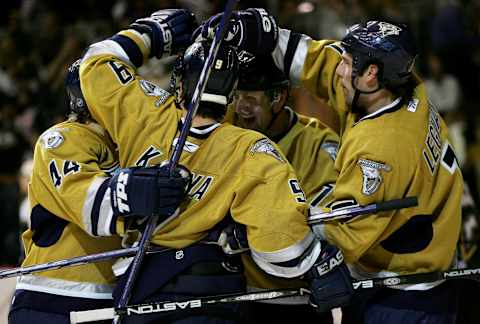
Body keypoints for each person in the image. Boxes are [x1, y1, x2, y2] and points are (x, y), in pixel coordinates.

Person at [78, 8, 353, 324]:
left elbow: (96, 63)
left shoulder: (144, 112)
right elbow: (283, 244)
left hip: (141, 285)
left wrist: (153, 34)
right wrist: (317, 261)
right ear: (232, 92)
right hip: (213, 293)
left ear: (179, 85)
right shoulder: (252, 149)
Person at [198, 10, 464, 323]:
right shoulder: (397, 87)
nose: (339, 69)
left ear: (371, 74)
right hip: (409, 266)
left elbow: (344, 236)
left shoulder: (383, 148)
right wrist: (262, 35)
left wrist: (263, 224)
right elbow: (320, 64)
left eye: (348, 62)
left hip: (403, 295)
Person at [8, 60, 190, 324]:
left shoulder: (126, 146)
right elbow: (90, 203)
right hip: (51, 297)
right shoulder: (63, 138)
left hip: (111, 300)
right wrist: (137, 190)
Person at [228, 54, 340, 322]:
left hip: (300, 295)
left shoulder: (318, 142)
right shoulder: (229, 132)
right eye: (238, 97)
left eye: (252, 100)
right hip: (244, 295)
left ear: (278, 98)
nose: (241, 108)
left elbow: (331, 217)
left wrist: (256, 223)